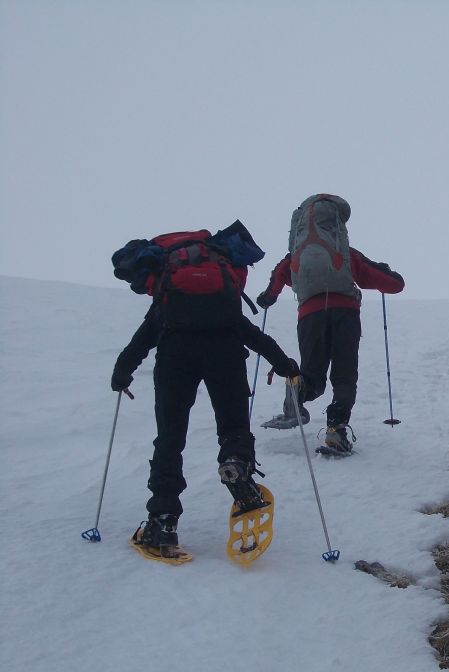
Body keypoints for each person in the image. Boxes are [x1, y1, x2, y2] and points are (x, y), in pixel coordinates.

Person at [112, 257, 300, 559]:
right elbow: (256, 337)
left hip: (176, 355)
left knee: (170, 438)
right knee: (234, 426)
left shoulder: (168, 298)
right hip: (226, 353)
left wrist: (121, 374)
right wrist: (284, 365)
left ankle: (163, 522)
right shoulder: (223, 301)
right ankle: (237, 464)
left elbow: (142, 340)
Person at [256, 194, 405, 454]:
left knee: (313, 375)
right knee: (344, 375)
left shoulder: (295, 256)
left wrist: (268, 297)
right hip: (345, 314)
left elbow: (273, 286)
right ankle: (336, 430)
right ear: (336, 224)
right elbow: (394, 284)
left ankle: (297, 393)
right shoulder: (345, 253)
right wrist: (389, 273)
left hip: (310, 316)